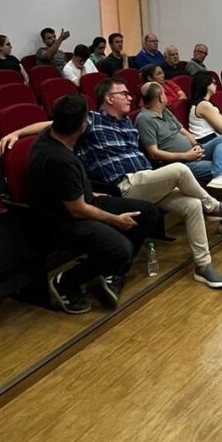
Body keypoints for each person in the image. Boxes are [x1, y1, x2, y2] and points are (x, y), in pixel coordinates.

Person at [0, 78, 222, 289]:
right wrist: (17, 133)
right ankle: (214, 207)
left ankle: (203, 265)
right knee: (181, 170)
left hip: (147, 181)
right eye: (123, 94)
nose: (130, 97)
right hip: (124, 185)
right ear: (109, 98)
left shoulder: (127, 123)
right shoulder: (91, 120)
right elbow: (53, 126)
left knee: (191, 206)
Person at [28, 95, 158, 314]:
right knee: (121, 250)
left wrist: (14, 133)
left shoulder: (51, 134)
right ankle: (66, 282)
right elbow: (77, 209)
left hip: (82, 200)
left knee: (148, 212)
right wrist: (115, 220)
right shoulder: (61, 160)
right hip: (64, 220)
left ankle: (113, 272)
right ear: (81, 126)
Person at [136, 81, 222, 203]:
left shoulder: (165, 111)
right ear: (161, 97)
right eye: (164, 93)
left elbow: (184, 131)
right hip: (181, 163)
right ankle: (221, 205)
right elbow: (154, 153)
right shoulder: (144, 119)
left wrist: (196, 145)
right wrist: (186, 156)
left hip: (193, 152)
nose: (166, 96)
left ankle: (219, 179)